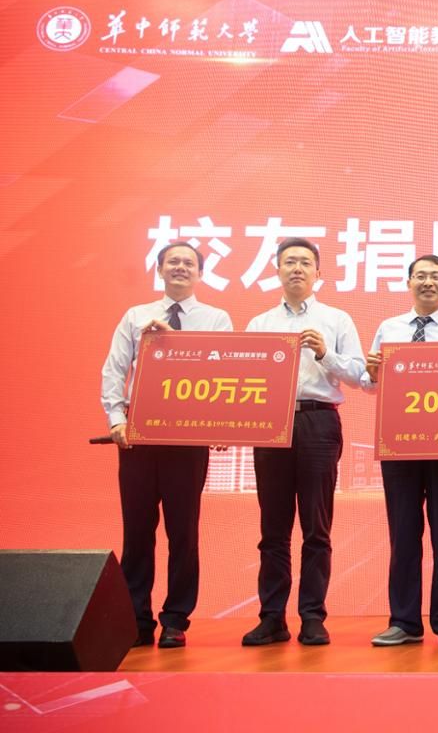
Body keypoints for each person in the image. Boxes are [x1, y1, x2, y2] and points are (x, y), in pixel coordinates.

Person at [100, 241, 233, 648]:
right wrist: (117, 419)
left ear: (200, 273)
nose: (180, 267)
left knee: (183, 532)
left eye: (188, 263)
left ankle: (176, 619)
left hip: (189, 437)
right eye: (172, 261)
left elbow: (223, 373)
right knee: (137, 532)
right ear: (159, 270)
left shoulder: (216, 319)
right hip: (139, 435)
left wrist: (173, 342)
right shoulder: (135, 316)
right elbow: (114, 370)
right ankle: (136, 620)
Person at [241, 238, 365, 647]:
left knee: (316, 526)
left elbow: (360, 376)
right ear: (276, 270)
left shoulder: (336, 319)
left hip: (318, 421)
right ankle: (272, 617)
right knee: (273, 529)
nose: (297, 268)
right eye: (289, 262)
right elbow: (244, 380)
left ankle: (312, 615)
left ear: (317, 273)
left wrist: (326, 354)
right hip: (270, 425)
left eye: (305, 262)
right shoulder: (259, 324)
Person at [363, 255, 438, 647]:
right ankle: (404, 621)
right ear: (408, 282)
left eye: (436, 276)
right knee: (403, 534)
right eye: (420, 276)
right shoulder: (389, 327)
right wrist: (372, 371)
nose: (428, 282)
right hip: (399, 444)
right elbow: (371, 384)